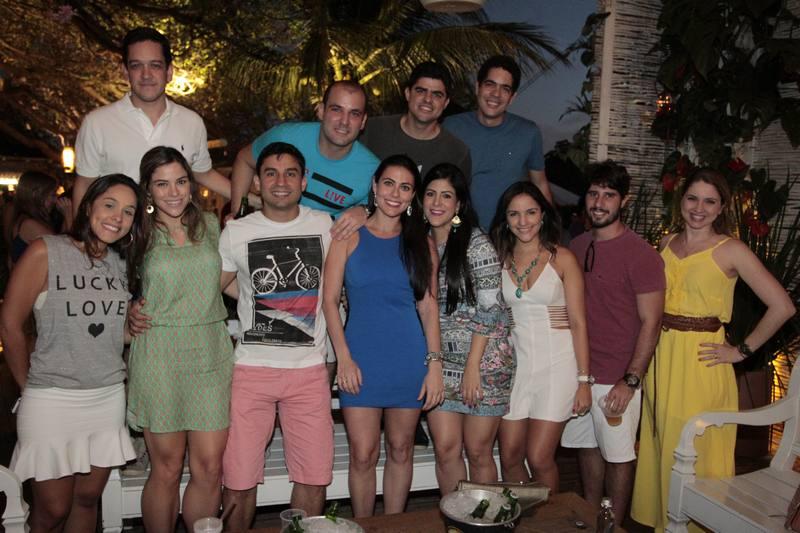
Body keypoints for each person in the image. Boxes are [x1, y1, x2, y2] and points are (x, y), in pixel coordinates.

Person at [631, 168, 795, 532]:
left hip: (702, 364)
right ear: (681, 201)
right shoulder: (666, 243)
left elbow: (782, 306)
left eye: (710, 201)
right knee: (662, 443)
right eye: (692, 198)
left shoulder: (731, 250)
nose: (699, 208)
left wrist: (741, 351)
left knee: (694, 450)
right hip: (662, 359)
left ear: (722, 208)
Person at [0, 174, 147, 532]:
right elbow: (9, 324)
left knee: (87, 499)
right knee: (52, 509)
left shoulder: (120, 263)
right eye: (109, 205)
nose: (118, 217)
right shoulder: (46, 250)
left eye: (128, 211)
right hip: (52, 398)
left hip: (107, 396)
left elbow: (110, 334)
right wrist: (27, 386)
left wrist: (133, 327)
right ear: (89, 206)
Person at [219, 142, 334, 530]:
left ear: (304, 181)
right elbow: (213, 288)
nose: (280, 181)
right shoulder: (236, 232)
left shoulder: (325, 225)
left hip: (309, 371)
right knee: (238, 479)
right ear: (257, 182)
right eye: (270, 173)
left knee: (313, 476)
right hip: (251, 371)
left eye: (290, 173)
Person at [322, 154, 444, 517]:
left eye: (405, 187)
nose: (395, 193)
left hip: (408, 359)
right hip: (360, 358)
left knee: (401, 449)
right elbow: (329, 302)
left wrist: (435, 365)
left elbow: (428, 307)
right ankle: (364, 525)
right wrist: (344, 358)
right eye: (389, 183)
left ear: (412, 196)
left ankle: (394, 525)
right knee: (362, 454)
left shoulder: (421, 243)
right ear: (374, 187)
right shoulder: (348, 236)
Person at [125, 147, 233, 532]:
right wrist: (126, 312)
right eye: (162, 184)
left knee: (210, 467)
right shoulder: (135, 231)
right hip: (159, 354)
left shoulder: (212, 226)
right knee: (167, 468)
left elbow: (230, 281)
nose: (173, 192)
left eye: (181, 181)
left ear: (191, 183)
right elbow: (107, 280)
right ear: (147, 189)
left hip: (210, 352)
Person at [560, 161, 665, 523]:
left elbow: (652, 321)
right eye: (593, 193)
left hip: (617, 375)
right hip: (580, 373)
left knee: (619, 456)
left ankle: (615, 527)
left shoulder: (642, 255)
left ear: (624, 200)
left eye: (609, 194)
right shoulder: (576, 245)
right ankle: (592, 516)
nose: (599, 202)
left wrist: (630, 380)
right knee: (586, 447)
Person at [489, 181, 591, 493]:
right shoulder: (498, 259)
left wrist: (584, 381)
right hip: (515, 369)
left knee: (539, 456)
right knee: (510, 456)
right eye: (514, 214)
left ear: (543, 215)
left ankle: (550, 517)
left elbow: (578, 322)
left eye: (531, 212)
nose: (524, 221)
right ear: (505, 219)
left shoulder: (563, 258)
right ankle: (521, 513)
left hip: (558, 367)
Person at [421, 163, 514, 495]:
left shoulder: (476, 242)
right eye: (430, 194)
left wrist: (472, 366)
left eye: (446, 196)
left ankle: (485, 517)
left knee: (477, 451)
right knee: (446, 450)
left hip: (484, 362)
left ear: (459, 204)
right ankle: (456, 516)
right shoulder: (418, 243)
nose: (437, 202)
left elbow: (491, 307)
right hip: (440, 364)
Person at [74, 27, 231, 209]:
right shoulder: (97, 123)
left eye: (155, 65)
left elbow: (204, 173)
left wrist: (253, 200)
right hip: (120, 227)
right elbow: (85, 184)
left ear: (169, 72)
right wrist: (79, 228)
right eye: (136, 66)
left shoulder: (192, 122)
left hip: (176, 226)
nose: (146, 75)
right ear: (125, 71)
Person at [229, 80, 379, 241]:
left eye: (354, 114)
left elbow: (387, 212)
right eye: (336, 109)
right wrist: (238, 215)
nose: (344, 121)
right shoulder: (285, 137)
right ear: (321, 111)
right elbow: (244, 160)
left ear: (363, 121)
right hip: (271, 236)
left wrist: (366, 211)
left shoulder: (373, 171)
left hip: (326, 247)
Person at [444, 55, 552, 229]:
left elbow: (540, 183)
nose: (496, 94)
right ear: (478, 87)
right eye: (490, 84)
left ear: (512, 97)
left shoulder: (528, 133)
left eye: (505, 88)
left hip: (510, 234)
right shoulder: (452, 127)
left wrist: (551, 229)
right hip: (459, 231)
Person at [360, 62, 471, 179]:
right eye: (421, 91)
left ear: (446, 103)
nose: (428, 99)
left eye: (437, 95)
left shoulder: (457, 153)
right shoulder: (371, 130)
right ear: (408, 93)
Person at [5, 171, 70, 265]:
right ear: (36, 195)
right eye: (52, 195)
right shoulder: (29, 224)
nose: (55, 200)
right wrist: (68, 214)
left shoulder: (25, 219)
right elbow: (64, 251)